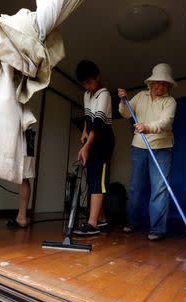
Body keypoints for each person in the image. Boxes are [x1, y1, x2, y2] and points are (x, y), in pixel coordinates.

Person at [118, 63, 177, 241]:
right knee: (136, 186)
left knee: (159, 188)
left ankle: (158, 229)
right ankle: (132, 221)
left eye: (165, 84)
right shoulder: (141, 96)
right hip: (139, 146)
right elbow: (126, 114)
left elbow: (165, 122)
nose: (162, 86)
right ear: (151, 83)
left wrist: (148, 127)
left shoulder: (170, 101)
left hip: (162, 148)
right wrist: (123, 101)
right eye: (158, 82)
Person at [73, 60, 115, 235]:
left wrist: (86, 147)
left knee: (99, 179)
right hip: (91, 139)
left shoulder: (104, 94)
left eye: (90, 82)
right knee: (92, 178)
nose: (88, 86)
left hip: (103, 140)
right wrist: (84, 132)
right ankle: (102, 219)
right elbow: (88, 118)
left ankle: (92, 224)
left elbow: (97, 124)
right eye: (84, 84)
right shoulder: (86, 95)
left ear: (98, 77)